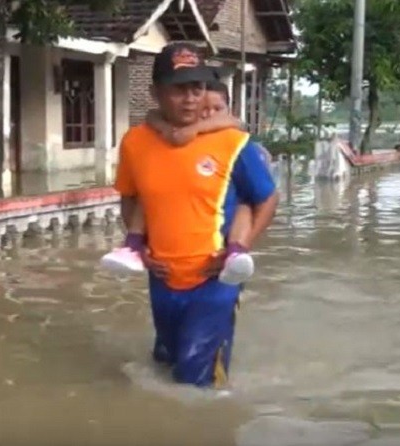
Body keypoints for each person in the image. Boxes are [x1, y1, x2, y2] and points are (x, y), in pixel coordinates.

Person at [112, 42, 278, 388]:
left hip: (215, 280)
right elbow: (130, 198)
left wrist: (241, 249)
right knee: (166, 360)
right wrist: (140, 249)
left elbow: (266, 198)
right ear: (156, 92)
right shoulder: (135, 143)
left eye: (197, 88)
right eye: (178, 89)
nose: (190, 98)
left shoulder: (234, 143)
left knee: (194, 379)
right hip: (163, 277)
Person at [101, 80, 273, 285]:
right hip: (165, 272)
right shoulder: (153, 139)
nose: (209, 115)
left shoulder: (235, 141)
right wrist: (146, 247)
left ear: (228, 110)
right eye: (205, 109)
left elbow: (268, 198)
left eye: (217, 109)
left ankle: (236, 253)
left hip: (214, 269)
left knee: (244, 205)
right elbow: (152, 117)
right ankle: (133, 247)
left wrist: (242, 245)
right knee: (146, 199)